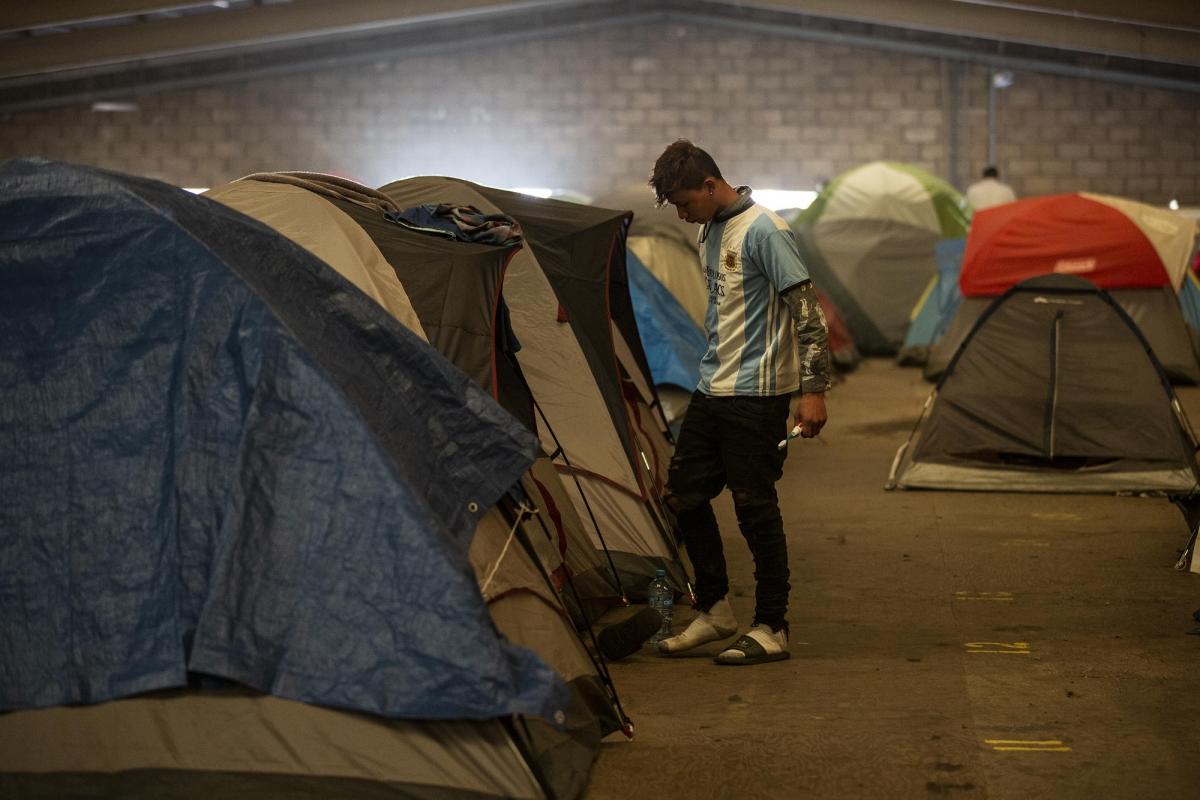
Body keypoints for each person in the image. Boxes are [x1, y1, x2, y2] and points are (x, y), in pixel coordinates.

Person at [648, 139, 830, 665]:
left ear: (711, 185)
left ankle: (773, 625)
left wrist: (812, 392)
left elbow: (808, 314)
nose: (683, 216)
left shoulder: (766, 230)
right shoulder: (710, 228)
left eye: (687, 203)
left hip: (758, 394)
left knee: (754, 507)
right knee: (684, 494)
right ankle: (715, 611)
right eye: (676, 208)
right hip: (713, 387)